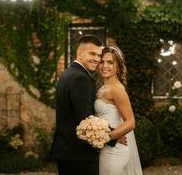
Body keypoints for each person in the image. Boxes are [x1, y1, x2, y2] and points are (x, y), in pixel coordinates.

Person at [50, 35, 103, 175]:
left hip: (67, 151)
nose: (97, 59)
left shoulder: (67, 74)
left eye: (99, 55)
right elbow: (85, 121)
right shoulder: (81, 78)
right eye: (92, 53)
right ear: (79, 53)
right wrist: (114, 136)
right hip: (78, 155)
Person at [95, 45, 143, 175]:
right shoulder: (103, 88)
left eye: (110, 62)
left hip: (115, 150)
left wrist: (108, 137)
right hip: (107, 148)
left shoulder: (117, 89)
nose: (105, 66)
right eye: (102, 61)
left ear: (118, 67)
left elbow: (131, 122)